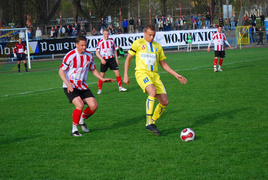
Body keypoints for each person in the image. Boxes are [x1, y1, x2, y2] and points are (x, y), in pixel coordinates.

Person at [123, 25, 187, 135]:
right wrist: (125, 75)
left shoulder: (158, 47)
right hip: (142, 73)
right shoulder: (138, 43)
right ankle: (148, 122)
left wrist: (176, 75)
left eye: (153, 35)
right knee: (152, 92)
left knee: (164, 102)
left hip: (154, 76)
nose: (152, 37)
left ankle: (152, 122)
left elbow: (163, 64)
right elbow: (128, 58)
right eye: (149, 35)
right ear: (144, 33)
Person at [59, 35, 114, 137]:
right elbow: (61, 71)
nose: (84, 47)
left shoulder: (89, 56)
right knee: (79, 105)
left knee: (94, 106)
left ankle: (81, 120)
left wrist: (102, 79)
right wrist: (68, 84)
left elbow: (92, 69)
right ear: (76, 45)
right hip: (70, 85)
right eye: (82, 45)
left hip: (82, 86)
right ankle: (74, 130)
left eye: (85, 45)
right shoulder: (70, 55)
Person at [96, 29, 127, 94]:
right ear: (103, 34)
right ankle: (99, 89)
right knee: (102, 75)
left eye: (107, 34)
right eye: (105, 34)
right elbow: (97, 53)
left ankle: (120, 87)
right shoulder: (100, 42)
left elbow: (114, 50)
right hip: (104, 60)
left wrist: (117, 59)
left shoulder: (112, 41)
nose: (106, 35)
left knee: (117, 73)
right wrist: (101, 59)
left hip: (112, 59)